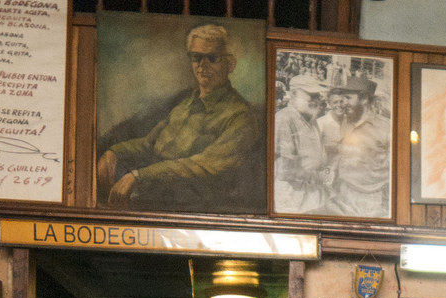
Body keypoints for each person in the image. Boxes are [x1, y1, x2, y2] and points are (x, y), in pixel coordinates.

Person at [97, 24, 262, 213]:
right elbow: (150, 143)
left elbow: (202, 165)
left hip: (191, 210)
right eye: (196, 57)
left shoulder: (241, 116)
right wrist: (114, 152)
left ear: (230, 64)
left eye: (212, 58)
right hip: (150, 195)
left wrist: (138, 176)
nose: (202, 65)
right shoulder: (184, 104)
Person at [317, 75, 391, 218]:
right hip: (342, 194)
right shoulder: (346, 122)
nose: (343, 103)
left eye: (348, 98)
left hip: (369, 201)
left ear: (363, 99)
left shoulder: (386, 128)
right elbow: (341, 155)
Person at [273, 73, 334, 214]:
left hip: (314, 200)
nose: (316, 100)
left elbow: (321, 159)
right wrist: (322, 177)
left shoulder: (311, 119)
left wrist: (328, 176)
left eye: (317, 96)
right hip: (294, 203)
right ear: (294, 94)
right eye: (311, 96)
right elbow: (285, 170)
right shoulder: (284, 119)